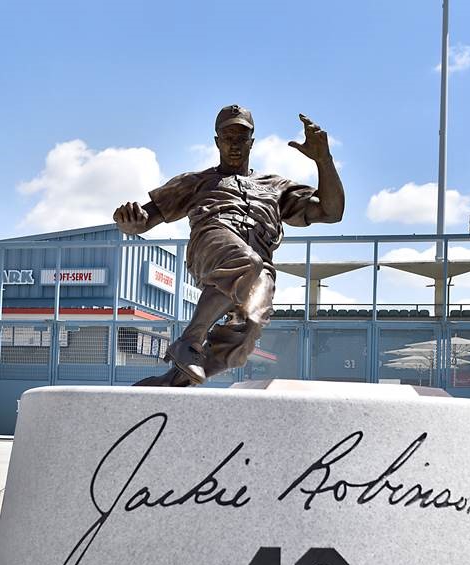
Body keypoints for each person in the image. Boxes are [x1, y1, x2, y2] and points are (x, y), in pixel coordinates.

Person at [113, 105, 344, 386]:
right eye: (227, 137)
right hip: (212, 244)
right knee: (245, 260)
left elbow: (332, 212)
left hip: (259, 266)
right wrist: (129, 220)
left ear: (252, 142)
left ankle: (171, 384)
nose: (234, 144)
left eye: (241, 138)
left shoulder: (275, 185)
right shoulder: (196, 182)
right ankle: (190, 341)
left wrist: (324, 160)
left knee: (247, 328)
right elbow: (145, 218)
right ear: (216, 141)